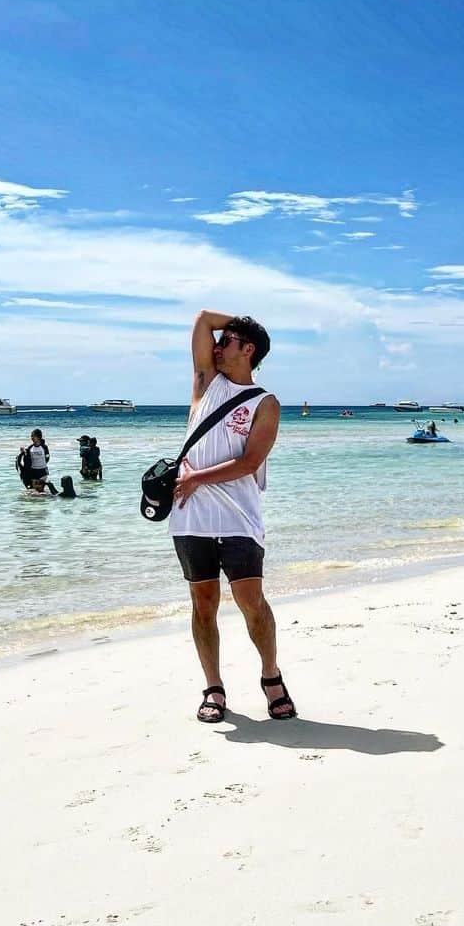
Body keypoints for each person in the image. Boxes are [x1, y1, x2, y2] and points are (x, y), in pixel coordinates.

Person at [170, 310, 294, 724]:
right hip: (190, 519)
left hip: (239, 519)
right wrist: (234, 320)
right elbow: (204, 319)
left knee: (251, 601)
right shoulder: (206, 383)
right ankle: (214, 687)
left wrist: (196, 478)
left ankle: (271, 677)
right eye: (219, 341)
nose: (217, 346)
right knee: (202, 603)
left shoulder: (266, 403)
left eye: (229, 340)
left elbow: (250, 461)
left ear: (248, 350)